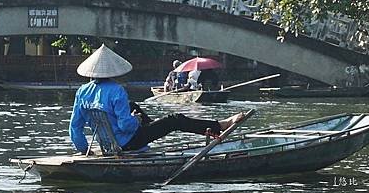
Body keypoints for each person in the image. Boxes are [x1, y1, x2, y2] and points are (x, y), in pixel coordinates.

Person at [69, 45, 245, 154]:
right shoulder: (116, 91)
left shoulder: (82, 92)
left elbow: (75, 128)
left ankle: (154, 128)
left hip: (107, 143)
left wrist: (85, 150)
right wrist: (135, 120)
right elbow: (125, 126)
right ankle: (219, 126)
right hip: (128, 143)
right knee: (174, 120)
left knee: (132, 105)